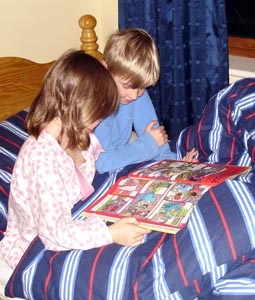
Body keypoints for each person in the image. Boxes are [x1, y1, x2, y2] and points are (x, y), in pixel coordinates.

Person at [0, 50, 150, 269]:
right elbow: (54, 234)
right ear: (76, 106)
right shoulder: (41, 158)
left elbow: (94, 176)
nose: (100, 120)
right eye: (98, 113)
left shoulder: (82, 136)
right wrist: (109, 233)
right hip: (37, 250)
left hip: (79, 220)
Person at [94, 28, 197, 174]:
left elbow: (158, 142)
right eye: (127, 86)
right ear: (105, 69)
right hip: (90, 171)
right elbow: (103, 163)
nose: (135, 96)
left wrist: (177, 165)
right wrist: (148, 143)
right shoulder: (96, 104)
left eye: (142, 87)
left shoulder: (135, 91)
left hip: (120, 158)